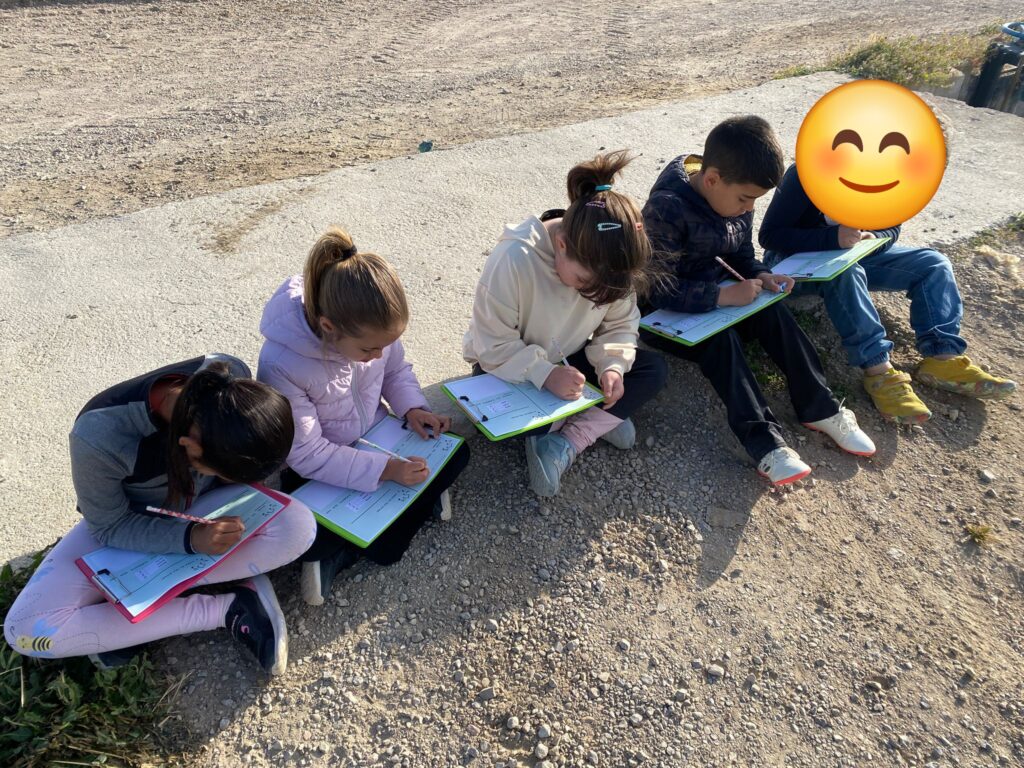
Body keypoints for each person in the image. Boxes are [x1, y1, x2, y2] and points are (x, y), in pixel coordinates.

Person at [3, 357, 316, 675]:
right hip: (132, 524)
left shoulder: (229, 376)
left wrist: (208, 526)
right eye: (217, 472)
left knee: (298, 526)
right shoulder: (99, 438)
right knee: (27, 631)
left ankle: (137, 604)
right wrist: (190, 539)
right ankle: (226, 608)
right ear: (190, 447)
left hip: (197, 514)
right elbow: (110, 526)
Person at [641, 116, 875, 486]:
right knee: (720, 342)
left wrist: (763, 275)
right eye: (745, 199)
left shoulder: (733, 198)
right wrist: (721, 295)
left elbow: (741, 254)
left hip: (719, 298)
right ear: (712, 179)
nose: (749, 208)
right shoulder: (666, 209)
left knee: (773, 312)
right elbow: (654, 287)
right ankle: (766, 445)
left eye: (755, 200)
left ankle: (820, 406)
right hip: (664, 317)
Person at [258, 227, 470, 606]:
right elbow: (307, 455)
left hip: (378, 436)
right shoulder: (282, 363)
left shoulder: (371, 332)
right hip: (319, 468)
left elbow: (396, 371)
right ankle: (348, 544)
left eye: (386, 345)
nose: (378, 355)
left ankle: (362, 534)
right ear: (328, 328)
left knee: (458, 452)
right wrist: (386, 470)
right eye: (370, 350)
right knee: (371, 547)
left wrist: (413, 408)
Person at [463, 150, 668, 497]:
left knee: (653, 371)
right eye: (586, 284)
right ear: (560, 244)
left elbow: (621, 323)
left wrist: (612, 367)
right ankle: (593, 419)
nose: (597, 296)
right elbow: (492, 345)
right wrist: (545, 375)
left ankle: (571, 436)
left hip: (568, 359)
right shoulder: (514, 259)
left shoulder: (610, 262)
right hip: (508, 366)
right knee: (497, 425)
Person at [759, 163, 1016, 423]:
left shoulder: (890, 179)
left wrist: (874, 237)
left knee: (934, 263)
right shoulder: (808, 173)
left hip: (852, 256)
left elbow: (892, 228)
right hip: (791, 264)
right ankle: (879, 372)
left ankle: (943, 357)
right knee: (846, 271)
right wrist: (832, 238)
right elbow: (770, 235)